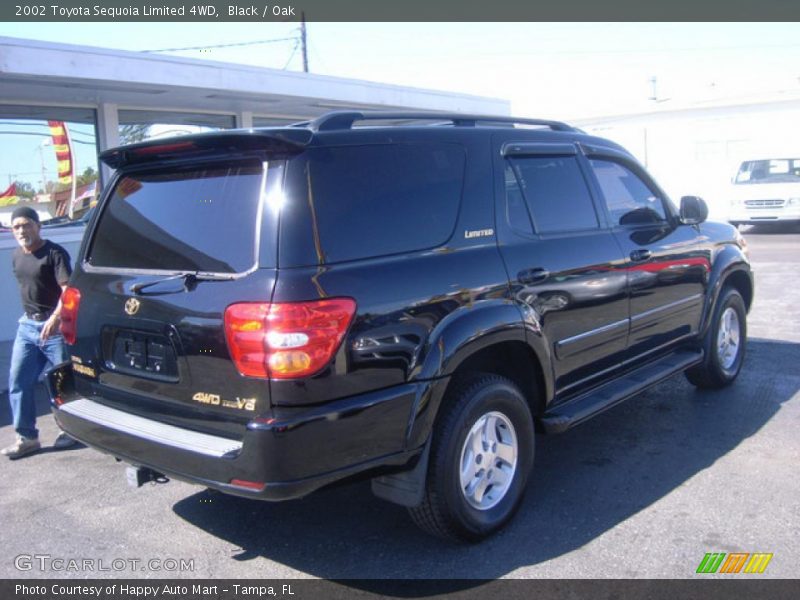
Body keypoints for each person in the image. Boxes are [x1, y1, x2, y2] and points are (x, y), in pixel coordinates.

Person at [2, 206, 76, 459]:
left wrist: (55, 318)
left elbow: (68, 290)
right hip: (27, 328)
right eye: (17, 227)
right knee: (19, 382)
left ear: (38, 226)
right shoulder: (16, 256)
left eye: (26, 224)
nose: (22, 230)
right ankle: (27, 438)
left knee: (63, 384)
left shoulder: (54, 253)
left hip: (54, 328)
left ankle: (72, 431)